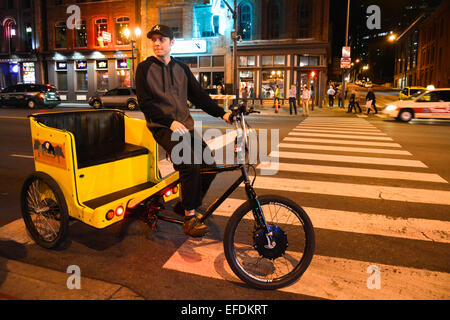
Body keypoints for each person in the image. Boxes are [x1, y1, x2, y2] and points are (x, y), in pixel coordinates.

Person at [135, 24, 232, 237]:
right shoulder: (144, 68)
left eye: (162, 39)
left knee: (210, 165)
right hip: (163, 127)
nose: (157, 43)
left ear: (172, 43)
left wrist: (222, 114)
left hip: (185, 127)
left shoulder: (182, 68)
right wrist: (169, 122)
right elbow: (145, 103)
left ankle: (186, 203)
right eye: (154, 40)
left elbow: (199, 96)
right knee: (189, 163)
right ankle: (189, 217)